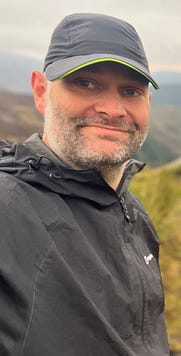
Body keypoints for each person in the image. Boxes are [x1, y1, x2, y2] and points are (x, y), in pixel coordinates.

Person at [0, 13, 170, 355]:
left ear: (147, 103)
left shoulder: (134, 213)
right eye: (85, 83)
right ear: (40, 91)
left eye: (131, 91)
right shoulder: (8, 209)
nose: (112, 109)